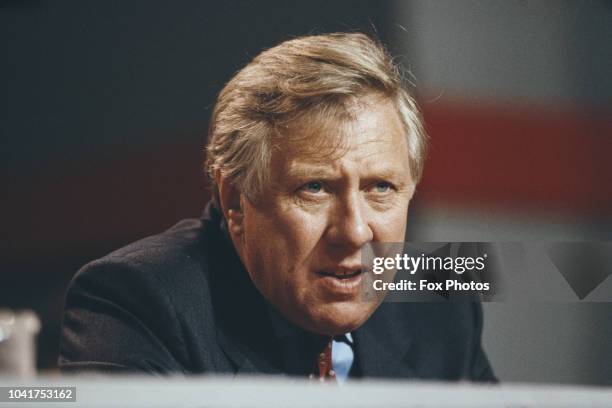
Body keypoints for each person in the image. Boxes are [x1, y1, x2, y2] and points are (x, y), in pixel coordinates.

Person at [59, 32, 495, 382]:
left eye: (380, 187)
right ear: (234, 200)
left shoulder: (440, 309)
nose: (355, 232)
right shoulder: (140, 300)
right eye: (315, 188)